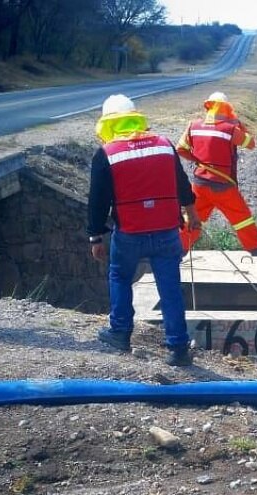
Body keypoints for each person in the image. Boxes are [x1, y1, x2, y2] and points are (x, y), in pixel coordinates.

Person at [87, 94, 202, 367]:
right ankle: (178, 348)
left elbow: (97, 201)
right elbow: (182, 184)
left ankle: (120, 333)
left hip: (129, 233)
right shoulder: (163, 145)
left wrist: (95, 236)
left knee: (120, 276)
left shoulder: (106, 154)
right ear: (135, 117)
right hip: (166, 231)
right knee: (170, 288)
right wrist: (193, 214)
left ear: (109, 124)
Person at [175, 91, 257, 257]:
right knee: (243, 219)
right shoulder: (230, 129)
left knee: (191, 219)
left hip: (199, 184)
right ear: (227, 109)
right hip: (223, 186)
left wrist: (199, 160)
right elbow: (251, 143)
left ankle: (177, 251)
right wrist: (238, 124)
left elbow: (180, 149)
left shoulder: (194, 125)